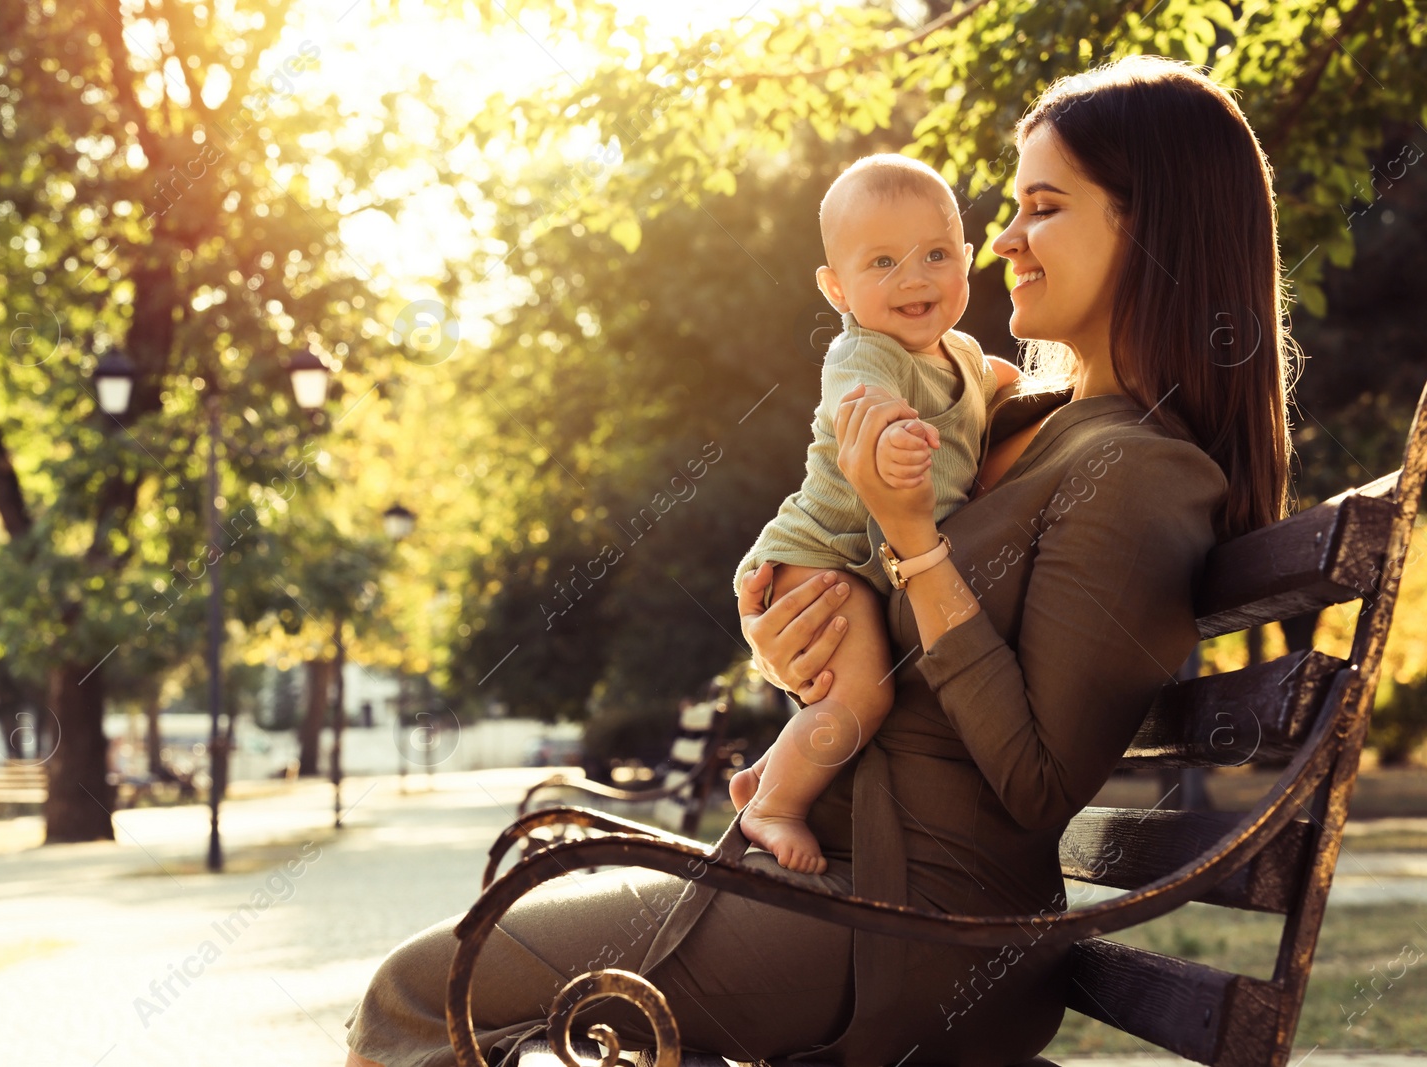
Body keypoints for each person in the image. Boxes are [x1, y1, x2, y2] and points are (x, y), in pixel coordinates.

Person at [340, 54, 1296, 1067]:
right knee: (454, 983)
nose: (1004, 239)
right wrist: (789, 623)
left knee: (417, 989)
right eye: (1010, 208)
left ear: (1148, 229)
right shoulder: (1017, 420)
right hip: (837, 883)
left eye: (1044, 206)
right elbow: (886, 606)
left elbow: (1035, 779)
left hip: (906, 931)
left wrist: (915, 543)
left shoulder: (1143, 473)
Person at [728, 152, 1022, 875]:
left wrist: (1005, 388)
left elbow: (987, 385)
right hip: (821, 553)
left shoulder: (963, 355)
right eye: (883, 262)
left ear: (968, 257)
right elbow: (861, 407)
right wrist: (890, 440)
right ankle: (772, 807)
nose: (914, 279)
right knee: (863, 692)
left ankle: (762, 774)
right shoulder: (862, 352)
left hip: (865, 561)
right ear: (837, 288)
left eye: (935, 254)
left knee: (849, 687)